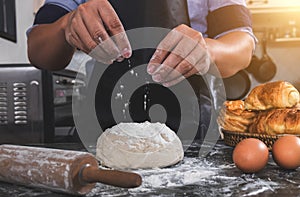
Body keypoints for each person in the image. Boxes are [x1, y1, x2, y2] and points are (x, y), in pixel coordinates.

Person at [27, 0, 256, 142]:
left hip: (193, 130)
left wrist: (208, 51)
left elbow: (242, 46)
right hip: (100, 127)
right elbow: (38, 50)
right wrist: (67, 24)